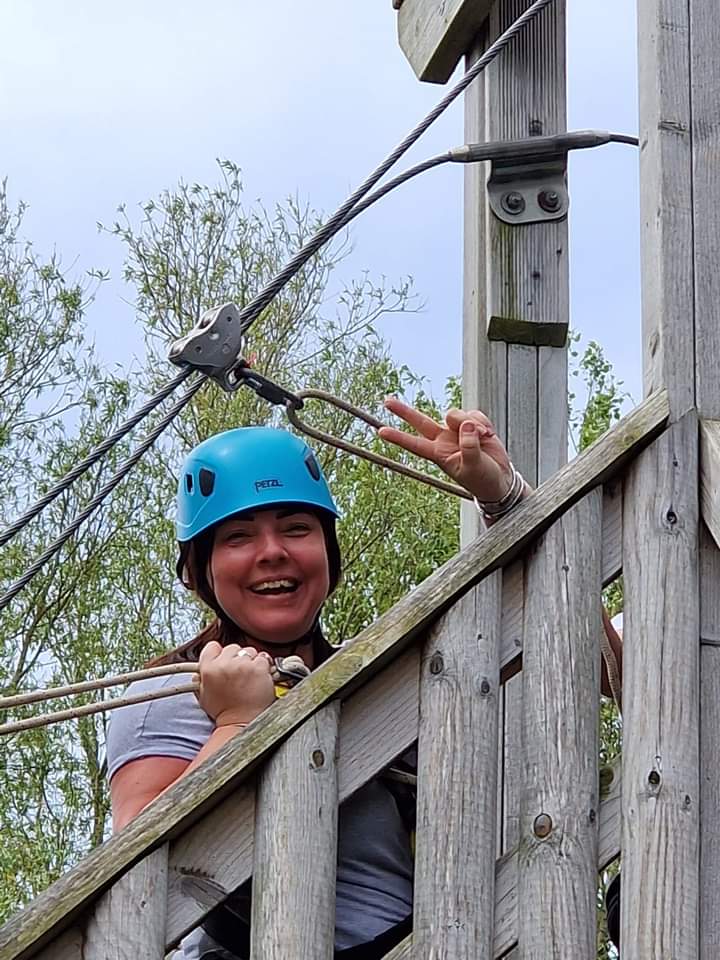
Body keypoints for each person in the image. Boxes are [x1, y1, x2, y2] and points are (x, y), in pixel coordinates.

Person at [105, 399, 621, 959]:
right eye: (238, 538)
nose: (272, 553)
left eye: (297, 528)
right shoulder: (168, 698)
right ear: (200, 569)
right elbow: (133, 881)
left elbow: (608, 672)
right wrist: (235, 725)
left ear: (327, 550)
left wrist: (507, 500)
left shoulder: (387, 676)